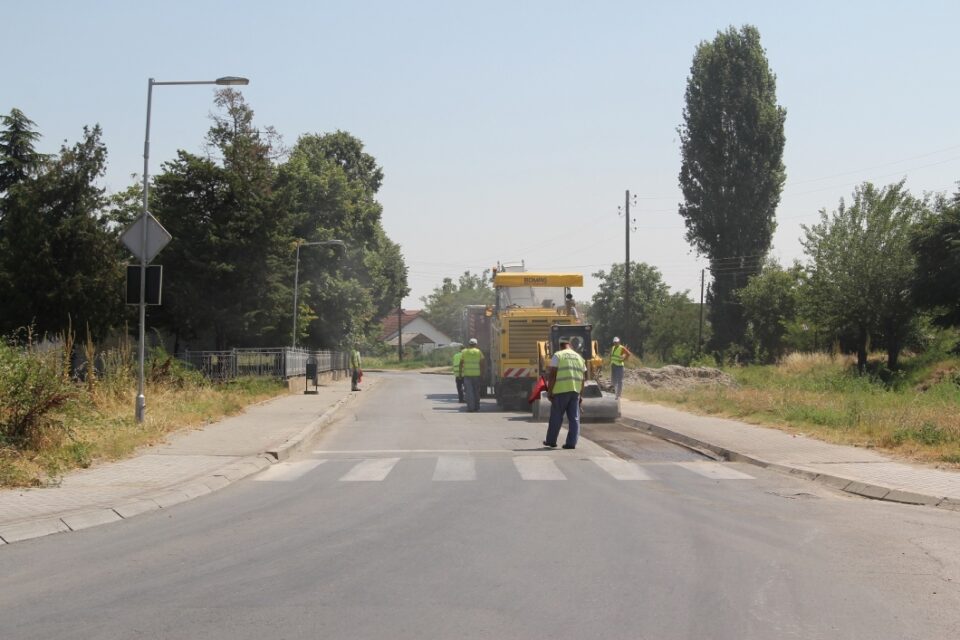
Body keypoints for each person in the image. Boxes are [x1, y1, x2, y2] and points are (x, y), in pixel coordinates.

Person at [543, 337, 587, 450]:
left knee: (556, 417)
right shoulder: (579, 358)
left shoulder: (558, 355)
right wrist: (581, 395)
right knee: (574, 418)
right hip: (575, 392)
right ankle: (571, 443)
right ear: (570, 345)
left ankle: (551, 441)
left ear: (560, 346)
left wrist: (549, 391)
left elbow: (552, 375)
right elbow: (583, 379)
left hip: (561, 391)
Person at [459, 338, 485, 412]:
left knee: (469, 392)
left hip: (467, 375)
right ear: (476, 344)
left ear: (469, 344)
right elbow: (482, 363)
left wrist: (460, 373)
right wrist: (482, 373)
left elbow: (461, 363)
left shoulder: (464, 352)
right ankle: (477, 406)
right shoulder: (478, 352)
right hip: (476, 375)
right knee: (476, 391)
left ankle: (471, 408)